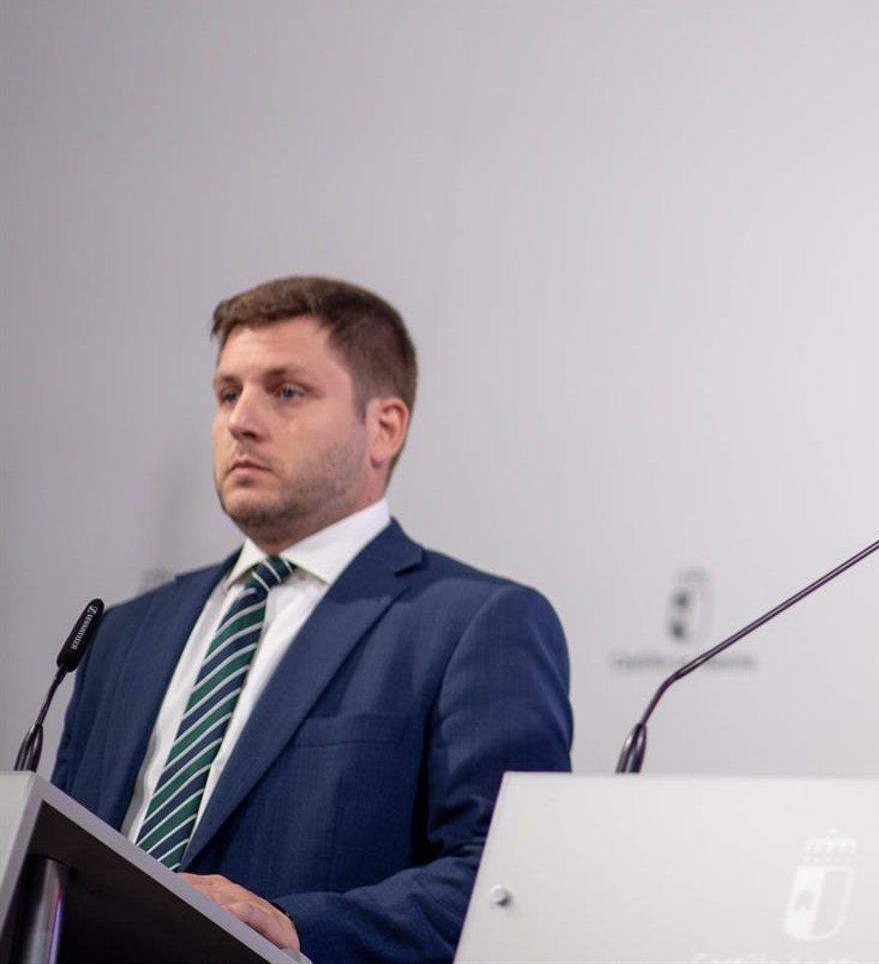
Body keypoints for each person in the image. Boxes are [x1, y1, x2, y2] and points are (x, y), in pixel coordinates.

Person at [53, 276, 571, 964]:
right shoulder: (124, 634)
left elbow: (503, 878)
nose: (241, 421)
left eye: (287, 391)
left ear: (384, 428)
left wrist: (300, 929)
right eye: (228, 393)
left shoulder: (475, 625)